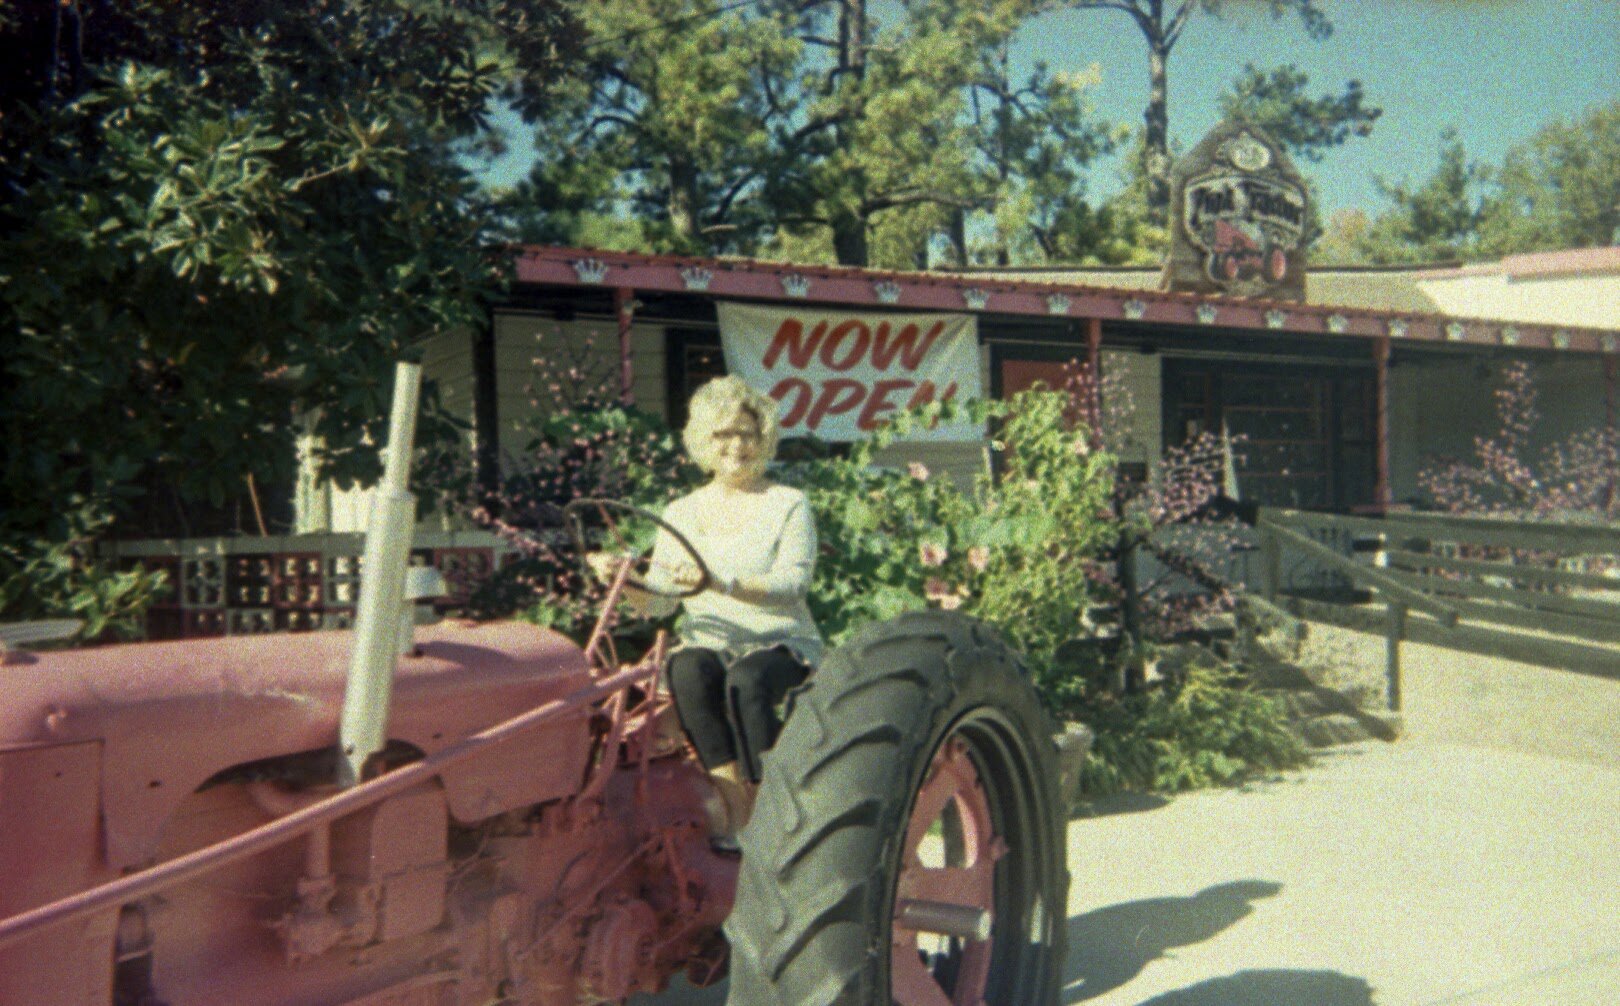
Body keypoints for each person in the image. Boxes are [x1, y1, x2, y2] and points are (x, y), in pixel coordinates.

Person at [590, 376, 822, 842]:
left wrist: (722, 583)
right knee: (688, 669)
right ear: (703, 440)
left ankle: (773, 810)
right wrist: (624, 577)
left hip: (778, 642)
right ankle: (733, 802)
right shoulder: (682, 511)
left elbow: (793, 583)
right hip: (711, 640)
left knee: (747, 682)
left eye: (747, 434)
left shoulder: (788, 504)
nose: (736, 445)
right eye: (723, 435)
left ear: (763, 440)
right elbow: (660, 599)